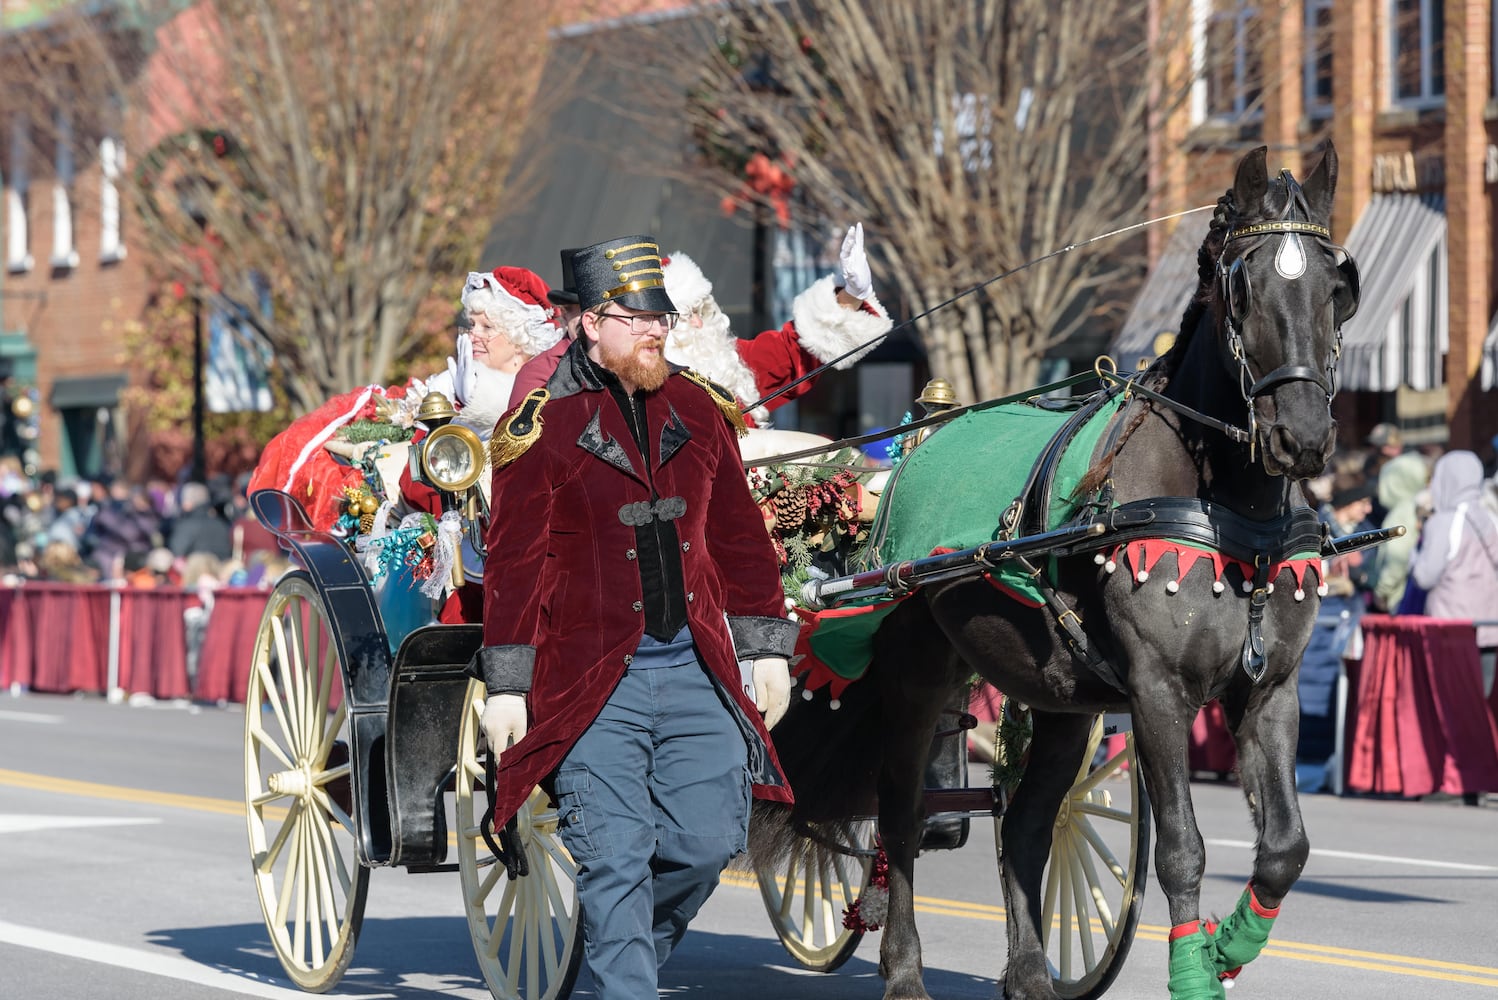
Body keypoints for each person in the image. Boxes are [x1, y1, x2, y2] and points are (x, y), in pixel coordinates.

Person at [467, 234, 795, 999]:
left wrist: (765, 645)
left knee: (707, 843)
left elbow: (741, 540)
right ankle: (627, 983)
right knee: (614, 857)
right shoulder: (542, 425)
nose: (655, 330)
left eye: (662, 318)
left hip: (694, 669)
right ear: (591, 324)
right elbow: (512, 564)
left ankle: (625, 965)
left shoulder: (698, 411)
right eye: (637, 317)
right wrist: (508, 682)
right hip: (589, 684)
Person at [660, 222, 891, 426]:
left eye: (701, 311)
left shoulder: (728, 363)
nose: (699, 323)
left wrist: (851, 296)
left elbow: (793, 353)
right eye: (686, 315)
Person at [1409, 450, 1498, 697]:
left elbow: (1424, 576)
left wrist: (1414, 556)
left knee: (1450, 704)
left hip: (1450, 630)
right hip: (1490, 627)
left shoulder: (1444, 521)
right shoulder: (1490, 517)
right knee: (1480, 705)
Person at [168, 481, 233, 561]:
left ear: (189, 502)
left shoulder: (187, 525)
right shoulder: (222, 524)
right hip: (222, 570)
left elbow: (177, 552)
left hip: (195, 570)